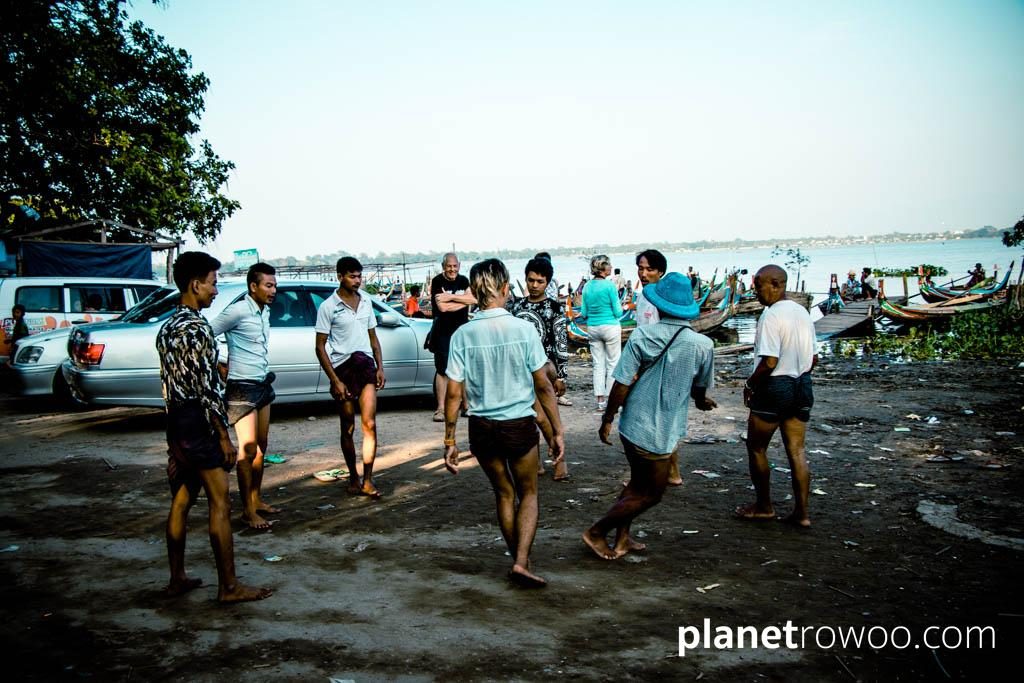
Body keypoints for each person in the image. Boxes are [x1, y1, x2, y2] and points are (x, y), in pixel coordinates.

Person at [157, 251, 272, 603]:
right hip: (199, 422)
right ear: (196, 284)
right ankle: (230, 587)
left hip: (175, 419)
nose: (216, 290)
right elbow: (207, 390)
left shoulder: (167, 327)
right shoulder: (200, 329)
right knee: (220, 503)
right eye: (213, 282)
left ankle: (177, 577)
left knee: (181, 499)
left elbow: (169, 383)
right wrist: (223, 435)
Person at [442, 259, 565, 588]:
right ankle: (522, 561)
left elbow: (453, 395)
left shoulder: (463, 334)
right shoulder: (523, 330)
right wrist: (556, 431)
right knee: (529, 494)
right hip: (518, 425)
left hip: (482, 428)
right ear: (506, 289)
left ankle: (519, 560)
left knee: (503, 493)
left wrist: (450, 441)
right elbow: (543, 386)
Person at [583, 273, 716, 560]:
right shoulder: (703, 345)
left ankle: (622, 539)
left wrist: (608, 419)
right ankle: (596, 531)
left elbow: (621, 383)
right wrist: (703, 401)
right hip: (661, 430)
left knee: (636, 486)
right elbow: (700, 388)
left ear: (658, 305)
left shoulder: (643, 334)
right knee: (651, 493)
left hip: (634, 424)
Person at [737, 264, 817, 528]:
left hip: (775, 386)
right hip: (802, 383)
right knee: (797, 450)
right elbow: (813, 358)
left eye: (758, 287)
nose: (756, 293)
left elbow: (770, 361)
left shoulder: (771, 315)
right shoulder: (802, 312)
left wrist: (750, 385)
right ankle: (802, 513)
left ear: (775, 284)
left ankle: (764, 505)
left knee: (757, 447)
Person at [210, 262, 280, 530]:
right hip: (241, 387)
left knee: (261, 447)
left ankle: (256, 499)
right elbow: (207, 334)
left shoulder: (264, 312)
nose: (273, 290)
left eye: (274, 285)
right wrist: (220, 361)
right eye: (268, 285)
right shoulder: (238, 310)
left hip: (262, 384)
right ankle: (247, 511)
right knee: (247, 449)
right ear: (253, 286)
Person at [314, 256, 387, 499]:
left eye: (359, 276)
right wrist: (335, 380)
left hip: (365, 365)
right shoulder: (328, 307)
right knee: (348, 426)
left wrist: (380, 367)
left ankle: (367, 479)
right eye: (352, 276)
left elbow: (373, 338)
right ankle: (353, 478)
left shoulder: (366, 302)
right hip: (342, 368)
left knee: (370, 424)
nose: (357, 281)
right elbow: (320, 347)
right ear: (340, 277)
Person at [510, 257, 571, 480]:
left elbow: (561, 342)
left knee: (543, 418)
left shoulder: (554, 308)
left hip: (544, 369)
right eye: (531, 280)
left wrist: (562, 376)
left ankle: (559, 461)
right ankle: (538, 463)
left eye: (540, 281)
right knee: (530, 419)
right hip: (519, 371)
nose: (534, 285)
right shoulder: (516, 307)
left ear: (548, 282)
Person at [634, 249, 684, 487]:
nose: (644, 273)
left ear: (660, 272)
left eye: (649, 269)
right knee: (658, 420)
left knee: (659, 419)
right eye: (641, 269)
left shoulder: (664, 299)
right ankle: (670, 471)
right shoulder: (643, 295)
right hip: (647, 364)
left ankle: (665, 471)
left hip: (662, 364)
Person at [429, 253, 475, 422]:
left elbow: (474, 299)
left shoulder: (463, 280)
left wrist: (450, 297)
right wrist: (463, 301)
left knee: (464, 368)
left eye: (455, 266)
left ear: (459, 266)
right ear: (443, 266)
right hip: (442, 331)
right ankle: (440, 409)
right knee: (442, 370)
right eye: (449, 266)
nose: (452, 269)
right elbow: (442, 308)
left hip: (462, 330)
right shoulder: (437, 281)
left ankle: (466, 406)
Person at [581, 255, 622, 412]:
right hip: (610, 327)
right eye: (609, 265)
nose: (611, 267)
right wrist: (624, 308)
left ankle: (600, 401)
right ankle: (611, 399)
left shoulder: (587, 287)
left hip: (593, 328)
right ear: (604, 268)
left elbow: (584, 313)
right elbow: (617, 312)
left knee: (598, 364)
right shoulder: (610, 286)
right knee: (613, 363)